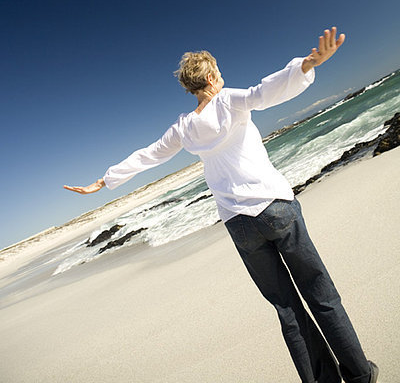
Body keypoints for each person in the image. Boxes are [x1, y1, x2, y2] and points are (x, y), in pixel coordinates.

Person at [64, 27, 379, 383]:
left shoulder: (183, 127)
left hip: (239, 224)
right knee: (321, 294)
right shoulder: (229, 99)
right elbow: (265, 92)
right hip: (274, 206)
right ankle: (359, 376)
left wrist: (105, 180)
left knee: (287, 310)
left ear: (189, 87)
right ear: (212, 76)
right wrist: (306, 65)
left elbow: (149, 155)